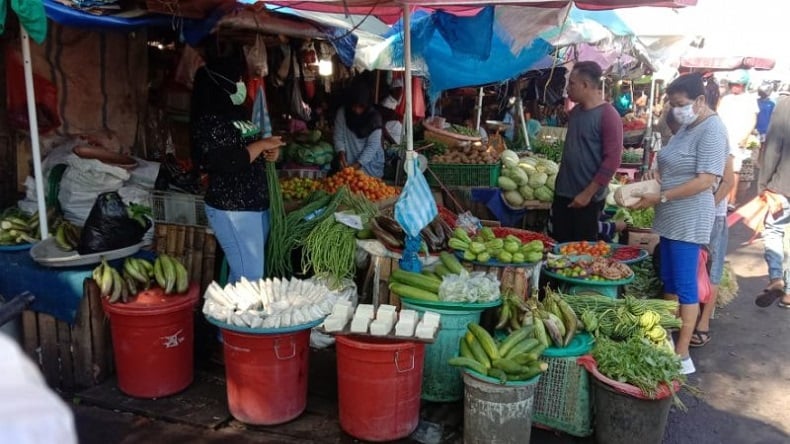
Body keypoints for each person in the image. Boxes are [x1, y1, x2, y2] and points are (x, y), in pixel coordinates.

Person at [631, 73, 728, 374]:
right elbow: (672, 165)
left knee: (686, 286)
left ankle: (682, 355)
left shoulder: (713, 130)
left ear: (700, 100)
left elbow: (706, 180)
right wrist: (654, 181)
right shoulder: (687, 127)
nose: (676, 110)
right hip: (671, 216)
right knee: (670, 281)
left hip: (690, 218)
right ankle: (666, 340)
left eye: (680, 104)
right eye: (672, 104)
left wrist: (662, 196)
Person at [191, 37, 284, 283]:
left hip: (254, 205)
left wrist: (270, 153)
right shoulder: (209, 121)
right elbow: (228, 161)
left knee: (244, 275)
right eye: (237, 80)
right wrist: (261, 144)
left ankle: (227, 309)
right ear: (222, 85)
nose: (242, 84)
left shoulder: (238, 113)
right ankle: (233, 310)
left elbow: (249, 148)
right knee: (250, 278)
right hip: (232, 208)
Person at [550, 61, 624, 243]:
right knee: (559, 246)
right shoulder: (576, 112)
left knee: (583, 250)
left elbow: (612, 160)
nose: (567, 89)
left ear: (585, 85)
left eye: (571, 83)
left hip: (587, 199)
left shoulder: (608, 115)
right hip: (563, 193)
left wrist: (587, 194)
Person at [754, 93, 790, 309]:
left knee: (774, 231)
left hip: (783, 185)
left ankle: (776, 277)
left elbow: (773, 147)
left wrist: (763, 185)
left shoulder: (785, 105)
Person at [717, 69, 758, 210]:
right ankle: (720, 198)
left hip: (738, 141)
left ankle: (731, 200)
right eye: (733, 84)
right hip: (723, 139)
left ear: (744, 85)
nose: (735, 87)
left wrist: (745, 137)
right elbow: (718, 116)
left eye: (738, 84)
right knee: (720, 170)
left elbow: (753, 120)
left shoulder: (750, 100)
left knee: (734, 171)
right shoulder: (725, 99)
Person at [334, 82, 385, 178]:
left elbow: (372, 146)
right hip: (349, 165)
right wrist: (341, 155)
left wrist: (356, 166)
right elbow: (339, 137)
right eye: (354, 106)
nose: (357, 110)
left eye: (361, 106)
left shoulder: (374, 119)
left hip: (371, 167)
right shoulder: (343, 113)